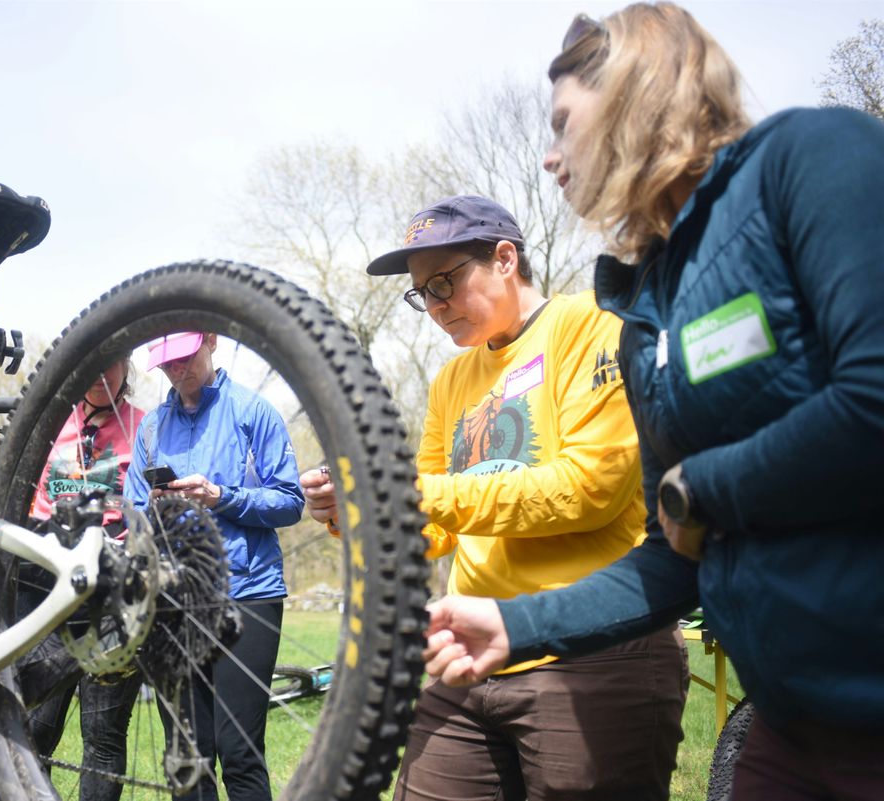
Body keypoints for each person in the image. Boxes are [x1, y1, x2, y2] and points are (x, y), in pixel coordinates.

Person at [423, 4, 884, 800]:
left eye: (565, 124)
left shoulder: (810, 157)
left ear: (640, 89)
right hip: (787, 724)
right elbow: (672, 554)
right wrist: (514, 624)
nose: (549, 157)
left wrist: (706, 488)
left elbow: (872, 393)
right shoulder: (644, 309)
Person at [302, 194, 687, 800]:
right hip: (468, 654)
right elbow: (432, 527)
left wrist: (416, 492)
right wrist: (356, 514)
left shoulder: (592, 325)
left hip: (594, 652)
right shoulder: (452, 379)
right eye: (421, 292)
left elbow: (590, 490)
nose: (433, 306)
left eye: (445, 283)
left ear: (505, 258)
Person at [125, 331, 304, 801]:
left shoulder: (253, 412)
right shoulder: (150, 429)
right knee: (188, 753)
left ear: (210, 342)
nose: (176, 371)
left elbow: (289, 501)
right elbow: (132, 516)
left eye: (184, 358)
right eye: (165, 364)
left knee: (239, 750)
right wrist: (156, 508)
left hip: (247, 593)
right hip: (174, 601)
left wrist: (221, 497)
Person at [14, 355, 145, 801]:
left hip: (114, 597)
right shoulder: (51, 426)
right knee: (34, 725)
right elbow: (29, 505)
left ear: (127, 368)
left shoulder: (146, 427)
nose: (100, 375)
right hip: (50, 591)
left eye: (112, 364)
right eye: (91, 364)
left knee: (103, 734)